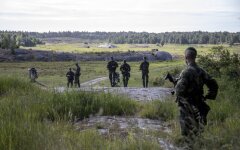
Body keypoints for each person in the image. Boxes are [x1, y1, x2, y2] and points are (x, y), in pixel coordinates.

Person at [175, 47, 218, 138]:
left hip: (188, 105)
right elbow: (213, 84)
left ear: (186, 57)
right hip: (199, 103)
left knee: (186, 132)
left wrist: (180, 99)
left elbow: (179, 91)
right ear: (195, 57)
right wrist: (209, 96)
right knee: (198, 128)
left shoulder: (186, 72)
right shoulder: (201, 71)